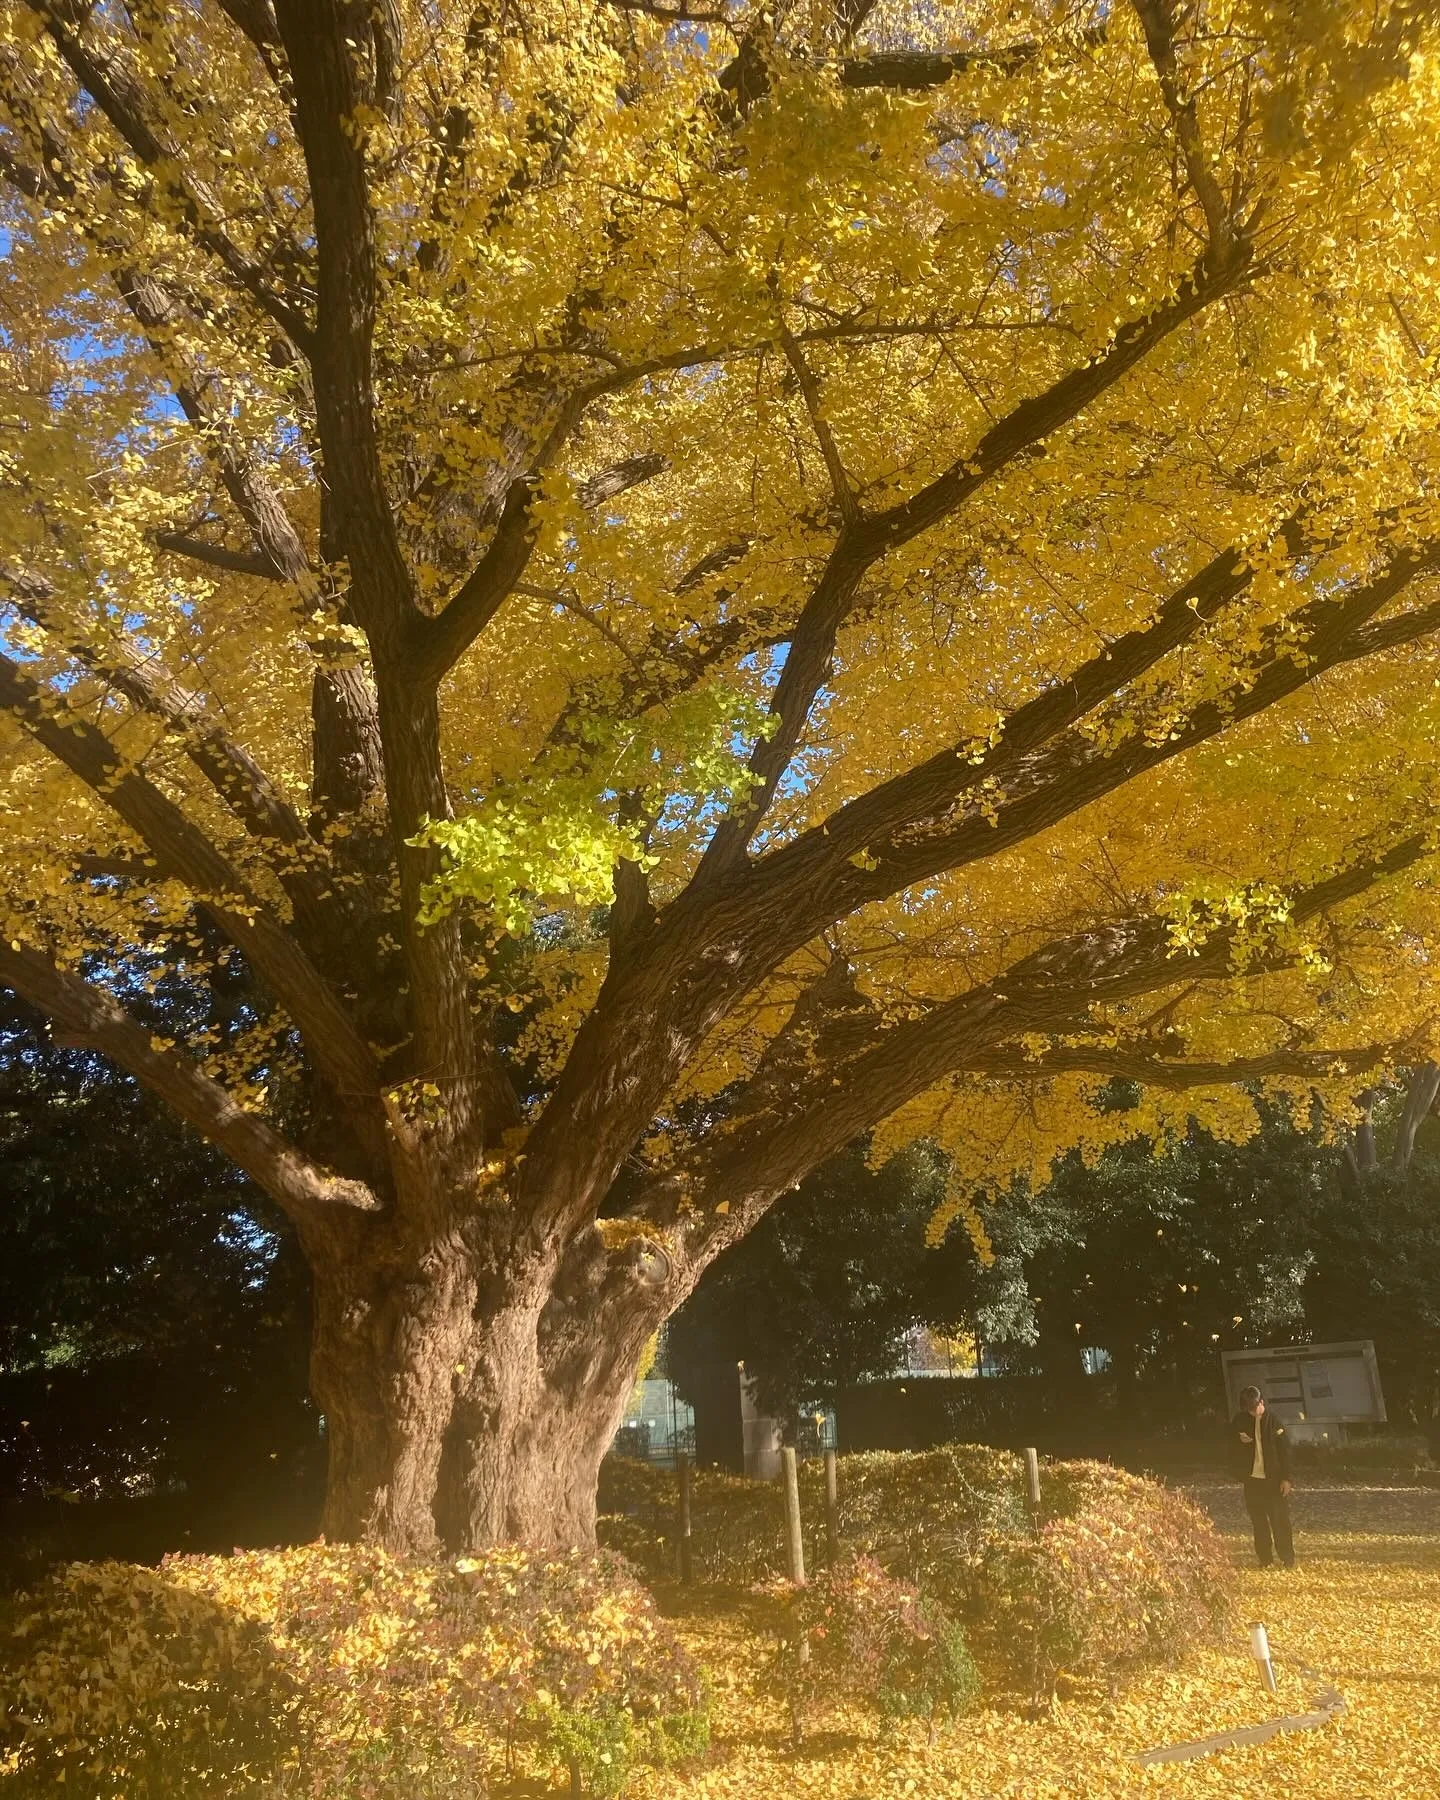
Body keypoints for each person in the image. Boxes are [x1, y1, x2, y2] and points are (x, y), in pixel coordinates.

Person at [1229, 1383, 1295, 1568]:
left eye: (1255, 1407)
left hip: (1273, 1480)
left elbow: (1285, 1451)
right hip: (1252, 1480)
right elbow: (1230, 1448)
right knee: (1259, 1522)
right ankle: (1265, 1559)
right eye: (1249, 1409)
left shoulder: (1274, 1421)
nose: (1253, 1412)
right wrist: (1239, 1444)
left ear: (1262, 1402)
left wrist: (1287, 1478)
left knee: (1280, 1520)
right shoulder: (1239, 1421)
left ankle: (1287, 1558)